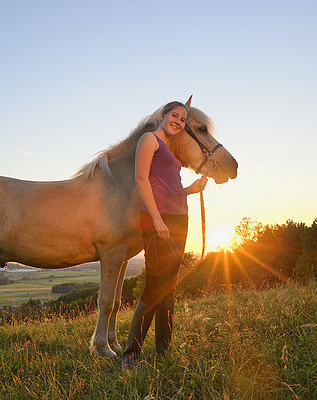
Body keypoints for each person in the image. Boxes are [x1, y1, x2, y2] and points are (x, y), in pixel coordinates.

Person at [122, 101, 207, 371]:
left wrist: (191, 189)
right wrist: (157, 220)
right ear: (162, 116)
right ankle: (130, 355)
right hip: (159, 220)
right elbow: (141, 180)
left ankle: (163, 352)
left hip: (179, 218)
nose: (179, 122)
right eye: (175, 116)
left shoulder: (169, 150)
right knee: (154, 288)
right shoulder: (150, 139)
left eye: (183, 119)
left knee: (169, 287)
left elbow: (169, 188)